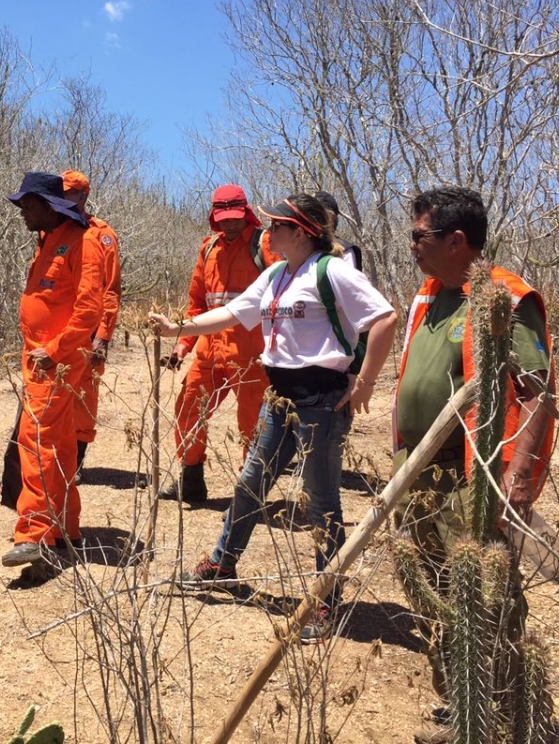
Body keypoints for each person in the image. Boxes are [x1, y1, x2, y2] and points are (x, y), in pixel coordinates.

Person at [149, 194, 397, 643]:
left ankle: (326, 598)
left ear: (301, 232)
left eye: (278, 225)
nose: (268, 231)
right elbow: (232, 313)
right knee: (250, 484)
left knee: (321, 502)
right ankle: (222, 562)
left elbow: (384, 318)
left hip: (321, 399)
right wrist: (178, 330)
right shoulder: (277, 273)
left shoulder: (333, 271)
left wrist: (365, 380)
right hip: (278, 396)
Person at [391, 186, 555, 744]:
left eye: (420, 235)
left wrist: (518, 476)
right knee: (432, 592)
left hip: (472, 479)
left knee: (484, 602)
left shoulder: (505, 298)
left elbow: (536, 391)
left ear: (456, 241)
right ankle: (464, 711)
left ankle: (511, 721)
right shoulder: (428, 295)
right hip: (416, 472)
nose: (411, 245)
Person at [2, 171, 103, 568]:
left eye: (27, 205)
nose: (22, 212)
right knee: (59, 444)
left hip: (57, 362)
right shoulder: (47, 240)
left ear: (48, 206)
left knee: (36, 440)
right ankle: (64, 529)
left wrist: (57, 350)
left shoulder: (86, 242)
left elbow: (89, 309)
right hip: (41, 359)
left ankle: (35, 532)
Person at [161, 184, 273, 503]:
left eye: (235, 217)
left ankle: (251, 492)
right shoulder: (208, 248)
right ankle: (191, 480)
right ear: (214, 216)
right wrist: (183, 346)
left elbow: (284, 295)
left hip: (252, 354)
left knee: (252, 424)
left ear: (246, 212)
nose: (230, 223)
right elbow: (197, 303)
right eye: (223, 217)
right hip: (210, 351)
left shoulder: (263, 244)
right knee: (187, 409)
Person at [61, 170, 122, 478]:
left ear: (82, 197)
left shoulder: (101, 234)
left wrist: (104, 335)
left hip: (89, 331)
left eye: (67, 194)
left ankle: (76, 462)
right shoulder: (52, 230)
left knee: (84, 397)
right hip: (58, 330)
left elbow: (110, 288)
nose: (60, 200)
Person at [314, 191, 363, 270]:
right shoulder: (303, 247)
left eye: (319, 214)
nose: (314, 219)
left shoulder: (345, 251)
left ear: (331, 218)